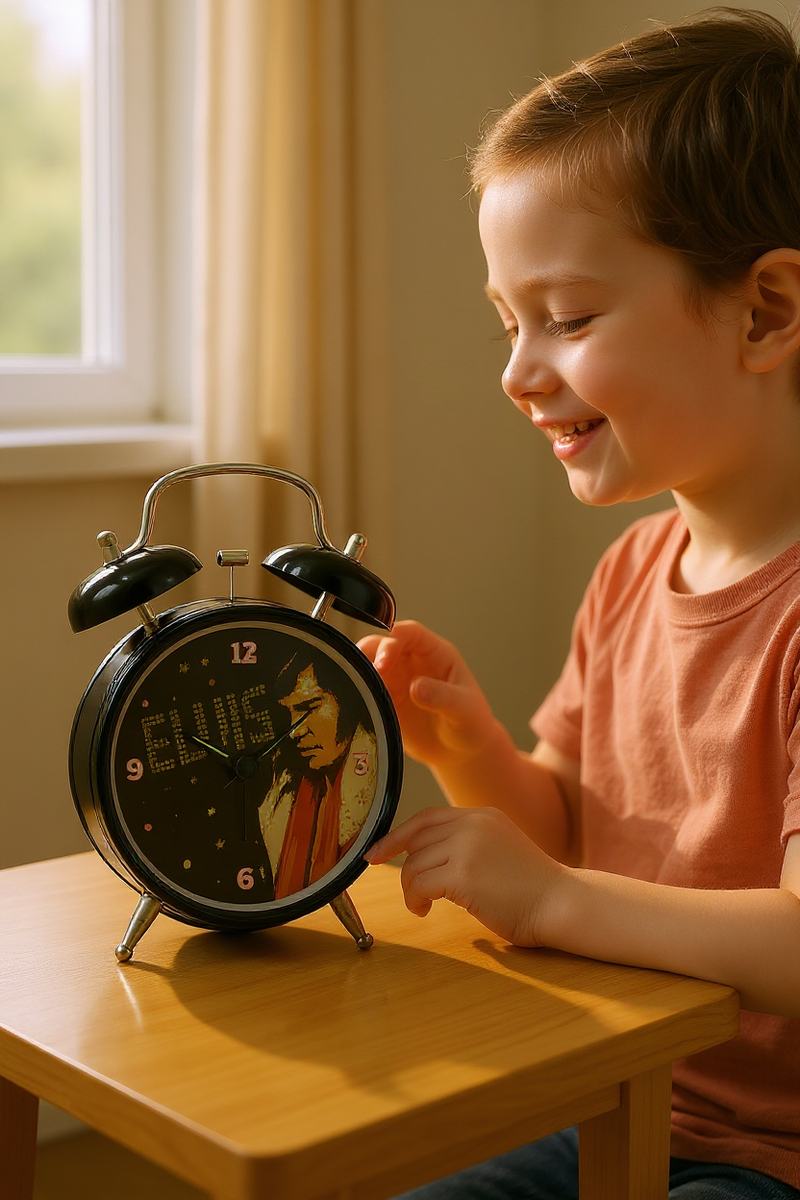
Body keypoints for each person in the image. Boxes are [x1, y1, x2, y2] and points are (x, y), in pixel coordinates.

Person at [358, 9, 800, 1198]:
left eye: (567, 317)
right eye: (508, 324)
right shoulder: (627, 574)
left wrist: (549, 899)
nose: (516, 371)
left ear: (762, 312)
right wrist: (469, 746)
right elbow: (565, 830)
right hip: (620, 1107)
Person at [258, 653, 377, 897]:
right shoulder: (288, 790)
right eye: (290, 714)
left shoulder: (368, 776)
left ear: (347, 700)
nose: (295, 732)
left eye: (309, 708)